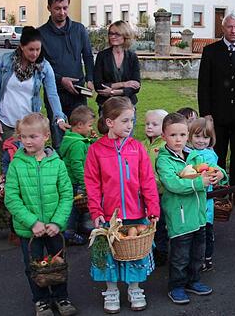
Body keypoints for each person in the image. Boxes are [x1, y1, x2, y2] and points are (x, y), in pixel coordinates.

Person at [84, 97, 160, 313]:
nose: (130, 125)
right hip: (109, 216)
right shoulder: (96, 150)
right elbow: (92, 183)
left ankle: (135, 288)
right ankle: (111, 290)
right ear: (109, 122)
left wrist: (152, 208)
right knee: (110, 254)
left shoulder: (137, 148)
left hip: (136, 214)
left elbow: (147, 181)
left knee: (134, 252)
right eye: (125, 120)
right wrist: (96, 210)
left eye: (132, 120)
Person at [2, 113, 76, 316]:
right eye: (23, 137)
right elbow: (12, 198)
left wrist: (58, 222)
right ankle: (41, 300)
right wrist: (32, 222)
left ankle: (61, 297)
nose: (27, 141)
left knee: (57, 264)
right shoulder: (16, 164)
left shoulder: (57, 163)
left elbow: (66, 194)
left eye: (32, 136)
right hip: (29, 230)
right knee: (34, 266)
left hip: (54, 228)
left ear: (45, 137)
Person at [198, 12, 235, 206]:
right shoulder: (210, 51)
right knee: (218, 153)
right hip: (217, 114)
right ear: (223, 28)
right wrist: (206, 114)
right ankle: (220, 190)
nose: (233, 30)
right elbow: (203, 85)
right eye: (230, 27)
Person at [156, 113, 215, 305]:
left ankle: (194, 280)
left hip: (199, 216)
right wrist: (200, 182)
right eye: (173, 135)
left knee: (198, 252)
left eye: (182, 135)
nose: (178, 139)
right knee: (180, 256)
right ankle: (177, 286)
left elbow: (211, 167)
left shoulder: (193, 155)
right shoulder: (164, 160)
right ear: (164, 136)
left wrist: (218, 175)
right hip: (180, 217)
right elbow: (174, 184)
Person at [0, 26, 69, 157]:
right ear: (21, 46)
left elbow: (52, 94)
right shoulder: (4, 61)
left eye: (38, 49)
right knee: (8, 162)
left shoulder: (44, 67)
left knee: (29, 163)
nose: (35, 54)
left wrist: (59, 117)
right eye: (31, 49)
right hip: (6, 121)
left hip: (30, 124)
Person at [38, 0, 94, 149]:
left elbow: (88, 56)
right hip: (55, 92)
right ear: (49, 8)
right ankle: (60, 169)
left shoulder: (79, 29)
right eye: (57, 8)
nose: (62, 12)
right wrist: (61, 79)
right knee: (58, 135)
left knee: (81, 135)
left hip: (78, 92)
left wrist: (90, 78)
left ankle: (79, 170)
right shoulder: (41, 34)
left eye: (65, 8)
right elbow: (40, 66)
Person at [185, 117, 227, 273]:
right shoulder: (189, 151)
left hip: (205, 199)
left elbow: (214, 170)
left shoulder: (208, 155)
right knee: (199, 231)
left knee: (206, 230)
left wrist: (219, 174)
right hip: (194, 197)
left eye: (205, 137)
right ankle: (198, 257)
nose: (201, 141)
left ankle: (206, 258)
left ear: (211, 138)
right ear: (190, 136)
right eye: (197, 136)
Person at [58, 105, 96, 245]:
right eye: (90, 125)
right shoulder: (77, 145)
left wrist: (92, 140)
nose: (92, 128)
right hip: (73, 181)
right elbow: (77, 165)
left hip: (72, 180)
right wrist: (84, 182)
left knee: (77, 207)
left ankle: (78, 227)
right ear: (80, 125)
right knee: (73, 208)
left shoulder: (72, 138)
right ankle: (69, 234)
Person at [93, 20, 141, 111]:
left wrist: (113, 91)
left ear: (125, 35)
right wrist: (124, 84)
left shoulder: (132, 57)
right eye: (110, 34)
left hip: (128, 106)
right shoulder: (102, 56)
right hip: (106, 106)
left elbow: (136, 86)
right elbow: (99, 85)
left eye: (117, 34)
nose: (113, 37)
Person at [143, 108, 170, 265]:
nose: (149, 127)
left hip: (160, 192)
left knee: (159, 223)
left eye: (154, 124)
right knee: (147, 223)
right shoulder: (142, 145)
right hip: (145, 193)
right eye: (147, 123)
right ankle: (148, 249)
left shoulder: (165, 146)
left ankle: (161, 251)